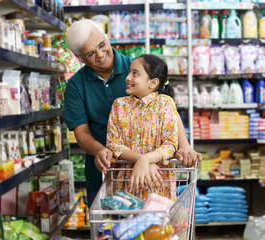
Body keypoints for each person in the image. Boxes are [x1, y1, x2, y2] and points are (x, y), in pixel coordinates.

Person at [64, 19, 202, 208]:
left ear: (106, 37)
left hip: (156, 172)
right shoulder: (75, 86)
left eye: (102, 45)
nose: (100, 54)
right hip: (109, 169)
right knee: (112, 228)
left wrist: (184, 145)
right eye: (90, 53)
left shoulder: (138, 68)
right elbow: (81, 133)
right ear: (79, 57)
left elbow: (169, 112)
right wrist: (101, 151)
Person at [106, 54, 178, 201]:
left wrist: (147, 160)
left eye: (135, 73)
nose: (128, 78)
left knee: (157, 223)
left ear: (153, 83)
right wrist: (143, 160)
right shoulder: (119, 105)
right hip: (125, 185)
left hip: (158, 184)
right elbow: (113, 143)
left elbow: (170, 144)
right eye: (129, 72)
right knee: (125, 222)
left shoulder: (165, 104)